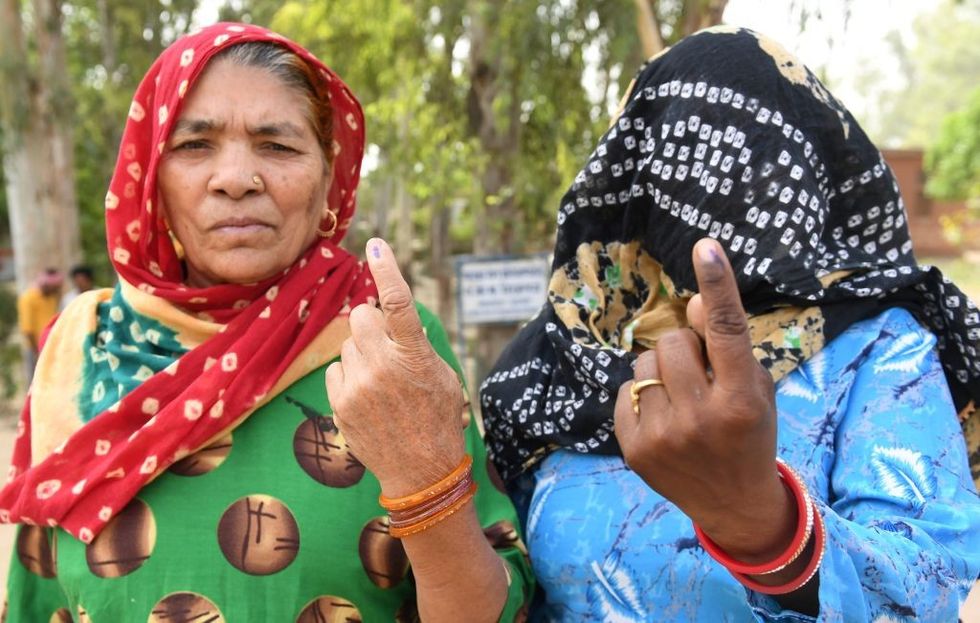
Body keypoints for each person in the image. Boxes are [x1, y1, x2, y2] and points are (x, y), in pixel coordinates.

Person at [0, 23, 531, 622]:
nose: (235, 179)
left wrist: (427, 485)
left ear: (329, 177)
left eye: (277, 146)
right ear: (151, 179)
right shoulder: (85, 347)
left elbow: (496, 606)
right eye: (194, 145)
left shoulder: (387, 339)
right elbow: (37, 601)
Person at [477, 28, 980, 621]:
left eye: (758, 156)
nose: (719, 185)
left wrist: (761, 525)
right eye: (687, 146)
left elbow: (929, 588)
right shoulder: (548, 367)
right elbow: (505, 582)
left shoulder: (877, 345)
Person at [16, 268, 63, 384]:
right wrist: (36, 352)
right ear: (45, 285)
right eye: (55, 287)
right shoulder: (28, 298)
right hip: (35, 349)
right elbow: (28, 330)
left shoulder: (51, 298)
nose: (56, 290)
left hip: (52, 347)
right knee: (37, 383)